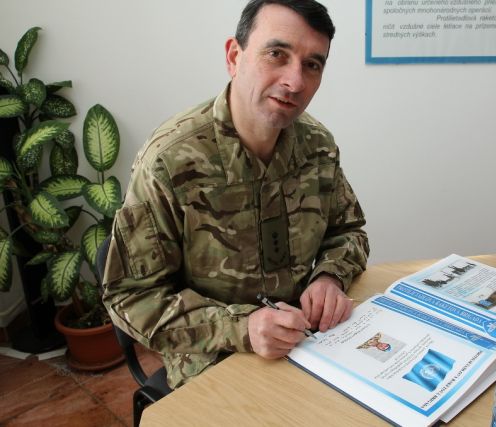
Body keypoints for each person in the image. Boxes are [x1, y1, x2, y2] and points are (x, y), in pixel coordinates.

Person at [102, 0, 369, 390]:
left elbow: (349, 232)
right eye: (277, 54)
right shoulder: (170, 161)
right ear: (234, 56)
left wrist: (329, 277)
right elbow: (131, 298)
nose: (295, 81)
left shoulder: (317, 146)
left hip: (306, 342)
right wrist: (242, 327)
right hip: (212, 358)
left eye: (312, 64)